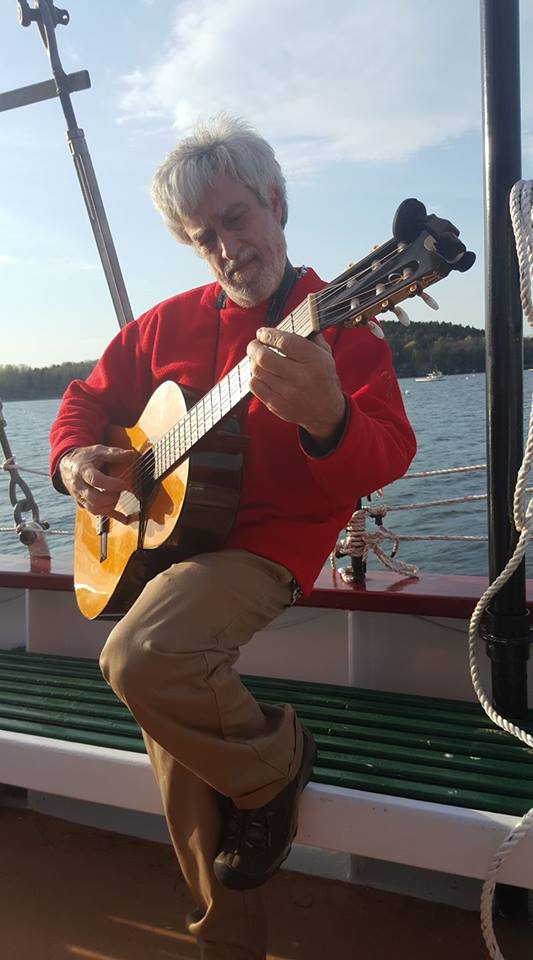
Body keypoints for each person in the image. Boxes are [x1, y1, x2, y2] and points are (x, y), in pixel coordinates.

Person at [49, 115, 416, 960]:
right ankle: (226, 942)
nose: (225, 247)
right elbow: (85, 398)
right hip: (165, 552)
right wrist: (72, 463)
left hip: (266, 547)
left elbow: (389, 450)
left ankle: (276, 760)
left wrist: (328, 418)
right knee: (176, 751)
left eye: (235, 218)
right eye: (202, 236)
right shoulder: (167, 324)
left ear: (275, 203)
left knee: (140, 658)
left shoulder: (342, 323)